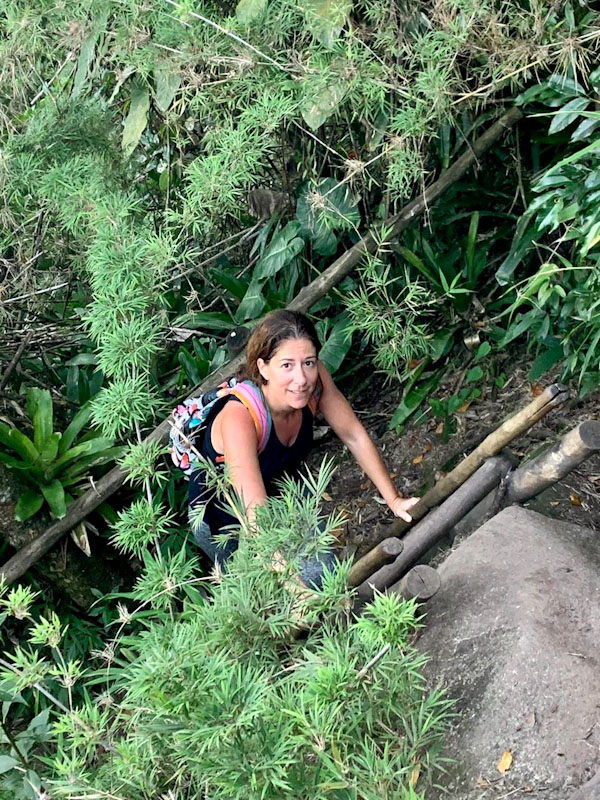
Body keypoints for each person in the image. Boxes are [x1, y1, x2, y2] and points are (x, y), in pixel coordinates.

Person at [188, 309, 418, 585]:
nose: (301, 378)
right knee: (264, 594)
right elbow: (256, 518)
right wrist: (296, 590)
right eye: (287, 365)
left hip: (282, 489)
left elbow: (353, 434)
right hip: (221, 516)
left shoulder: (315, 380)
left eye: (308, 362)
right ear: (263, 368)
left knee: (323, 573)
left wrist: (394, 500)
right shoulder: (240, 416)